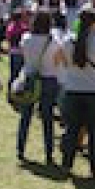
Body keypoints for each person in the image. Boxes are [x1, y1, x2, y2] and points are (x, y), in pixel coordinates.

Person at [59, 7, 95, 177]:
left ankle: (67, 163)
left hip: (73, 88)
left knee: (72, 129)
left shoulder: (68, 41)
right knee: (94, 131)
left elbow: (64, 62)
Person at [17, 9, 62, 164]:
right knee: (47, 117)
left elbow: (25, 56)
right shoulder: (54, 40)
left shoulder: (26, 38)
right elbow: (58, 60)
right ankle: (49, 152)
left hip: (31, 77)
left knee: (25, 115)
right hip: (49, 78)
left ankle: (20, 148)